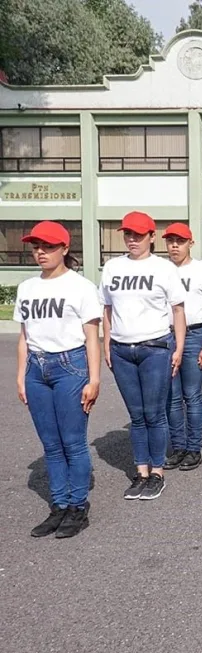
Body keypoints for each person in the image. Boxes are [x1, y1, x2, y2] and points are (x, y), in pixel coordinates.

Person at [16, 221, 101, 538]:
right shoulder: (27, 288)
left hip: (71, 367)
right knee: (50, 445)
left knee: (73, 443)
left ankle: (78, 507)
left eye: (48, 246)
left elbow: (92, 337)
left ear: (65, 249)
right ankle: (60, 505)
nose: (41, 252)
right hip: (37, 369)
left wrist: (94, 379)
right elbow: (25, 336)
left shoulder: (80, 287)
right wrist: (21, 377)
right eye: (36, 246)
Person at [100, 211, 186, 500]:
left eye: (138, 234)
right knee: (136, 416)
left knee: (154, 413)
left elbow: (178, 310)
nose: (132, 239)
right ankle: (141, 472)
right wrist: (106, 344)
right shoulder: (112, 267)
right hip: (122, 350)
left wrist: (180, 348)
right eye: (128, 234)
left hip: (155, 348)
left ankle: (158, 472)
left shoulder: (164, 269)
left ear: (151, 237)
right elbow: (107, 309)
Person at [163, 223, 202, 472]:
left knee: (192, 394)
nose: (174, 245)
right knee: (171, 397)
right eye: (170, 241)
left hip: (195, 334)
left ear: (190, 243)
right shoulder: (161, 270)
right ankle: (177, 447)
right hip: (164, 336)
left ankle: (193, 448)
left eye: (180, 241)